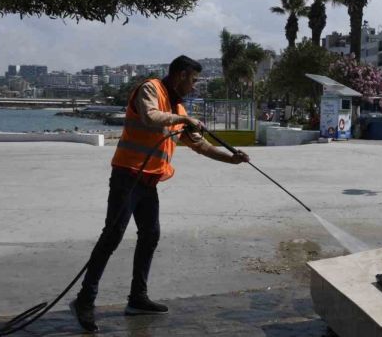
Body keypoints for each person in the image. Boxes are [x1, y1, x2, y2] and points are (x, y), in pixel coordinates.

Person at [70, 55, 250, 332]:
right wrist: (184, 117)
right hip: (127, 177)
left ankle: (137, 298)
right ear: (179, 75)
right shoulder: (150, 89)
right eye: (193, 80)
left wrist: (231, 158)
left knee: (150, 235)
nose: (194, 86)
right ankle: (84, 300)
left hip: (148, 181)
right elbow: (150, 116)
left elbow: (200, 145)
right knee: (112, 235)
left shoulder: (178, 107)